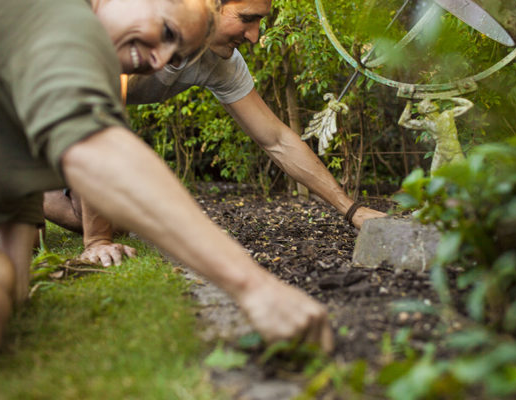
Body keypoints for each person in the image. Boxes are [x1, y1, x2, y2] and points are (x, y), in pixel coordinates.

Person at [0, 0, 332, 366]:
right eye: (168, 32)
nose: (159, 61)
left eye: (176, 55)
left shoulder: (64, 49)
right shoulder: (62, 17)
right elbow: (100, 152)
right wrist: (254, 285)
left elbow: (10, 143)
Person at [43, 0, 388, 267]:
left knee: (112, 218)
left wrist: (351, 209)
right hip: (26, 99)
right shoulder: (134, 24)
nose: (254, 36)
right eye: (246, 18)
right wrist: (97, 243)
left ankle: (26, 192)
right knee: (40, 235)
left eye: (259, 22)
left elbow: (277, 140)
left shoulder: (222, 62)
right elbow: (99, 122)